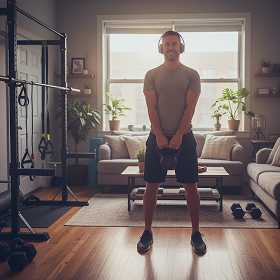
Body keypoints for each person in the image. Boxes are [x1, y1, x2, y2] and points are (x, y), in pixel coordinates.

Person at [137, 30, 206, 255]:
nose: (171, 47)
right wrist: (159, 135)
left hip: (184, 138)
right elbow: (151, 107)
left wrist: (177, 136)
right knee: (151, 187)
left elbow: (190, 107)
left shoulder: (192, 75)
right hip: (156, 136)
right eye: (167, 44)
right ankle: (147, 231)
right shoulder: (151, 75)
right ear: (161, 48)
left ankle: (196, 233)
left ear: (181, 47)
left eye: (174, 44)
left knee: (191, 188)